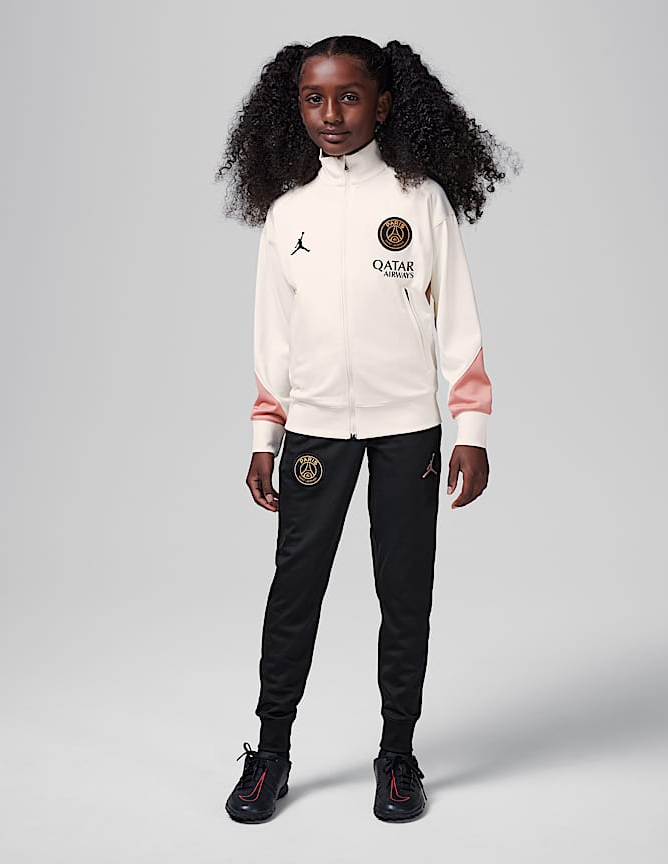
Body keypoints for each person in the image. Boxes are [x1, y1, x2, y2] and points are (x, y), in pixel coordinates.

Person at [215, 34, 521, 823]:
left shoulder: (420, 201)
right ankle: (270, 753)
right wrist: (265, 436)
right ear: (295, 107)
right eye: (314, 98)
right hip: (315, 431)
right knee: (294, 593)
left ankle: (398, 755)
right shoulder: (288, 215)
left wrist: (472, 428)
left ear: (383, 104)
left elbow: (458, 323)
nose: (331, 113)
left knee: (405, 594)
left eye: (348, 96)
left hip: (408, 430)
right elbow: (273, 341)